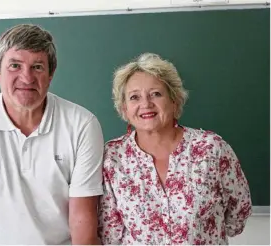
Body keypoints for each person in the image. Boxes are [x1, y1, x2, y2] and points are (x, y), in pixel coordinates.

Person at [0, 24, 104, 245]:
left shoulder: (82, 124)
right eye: (15, 65)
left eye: (37, 67)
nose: (27, 78)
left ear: (51, 74)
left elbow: (83, 222)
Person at [97, 53, 252, 245]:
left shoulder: (211, 149)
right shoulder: (112, 158)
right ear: (124, 109)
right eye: (134, 97)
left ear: (174, 100)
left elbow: (238, 214)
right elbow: (110, 233)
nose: (145, 104)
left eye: (156, 94)